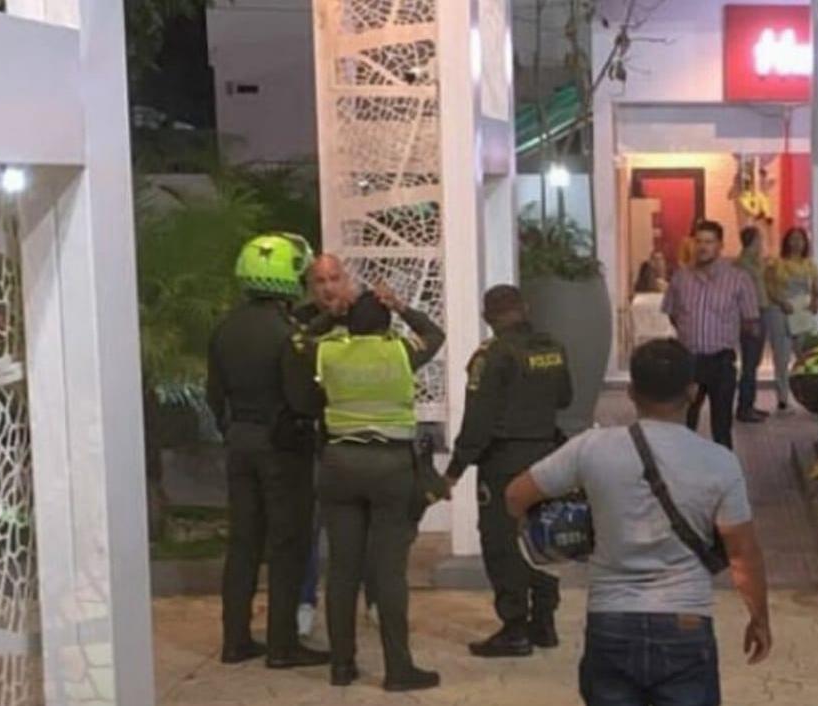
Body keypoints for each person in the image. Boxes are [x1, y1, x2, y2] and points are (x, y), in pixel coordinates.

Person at [505, 339, 772, 706]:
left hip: (611, 621)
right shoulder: (719, 462)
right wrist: (759, 618)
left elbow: (515, 496)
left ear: (631, 392)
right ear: (693, 393)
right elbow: (743, 555)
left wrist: (574, 530)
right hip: (686, 621)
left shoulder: (591, 448)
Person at [290, 288, 446, 691]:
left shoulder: (330, 353)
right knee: (389, 571)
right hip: (391, 466)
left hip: (339, 464)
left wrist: (331, 315)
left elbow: (298, 339)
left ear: (349, 323)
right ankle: (399, 669)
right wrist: (401, 306)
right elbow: (435, 334)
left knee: (342, 570)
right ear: (386, 324)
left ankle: (341, 666)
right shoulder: (399, 352)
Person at [206, 233, 332, 669]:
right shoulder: (287, 334)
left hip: (239, 442)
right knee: (287, 544)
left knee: (243, 544)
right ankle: (282, 646)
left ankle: (235, 639)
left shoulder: (226, 328)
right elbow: (302, 401)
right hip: (282, 450)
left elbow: (213, 394)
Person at [441, 285, 573, 658]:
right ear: (525, 308)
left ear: (488, 318)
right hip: (548, 457)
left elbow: (478, 423)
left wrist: (454, 471)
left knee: (502, 542)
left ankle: (515, 628)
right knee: (542, 535)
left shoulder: (492, 355)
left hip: (504, 464)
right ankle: (544, 621)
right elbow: (565, 398)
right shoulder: (552, 348)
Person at [292, 254, 367, 640]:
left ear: (346, 279)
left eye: (334, 278)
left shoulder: (364, 316)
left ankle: (373, 596)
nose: (327, 287)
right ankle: (306, 600)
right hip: (315, 437)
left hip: (359, 435)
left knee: (367, 523)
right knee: (310, 524)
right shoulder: (301, 320)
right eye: (319, 280)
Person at [662, 220, 761, 449]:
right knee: (684, 422)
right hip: (689, 362)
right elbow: (673, 314)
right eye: (699, 241)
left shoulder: (739, 279)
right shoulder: (680, 278)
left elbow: (750, 321)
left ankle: (723, 475)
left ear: (720, 245)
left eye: (709, 241)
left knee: (722, 425)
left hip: (721, 362)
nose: (703, 247)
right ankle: (682, 475)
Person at [765, 227, 818, 411]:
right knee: (781, 358)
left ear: (805, 243)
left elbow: (817, 292)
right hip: (780, 312)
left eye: (800, 239)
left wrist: (816, 304)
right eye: (793, 239)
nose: (796, 243)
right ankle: (782, 398)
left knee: (804, 358)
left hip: (801, 313)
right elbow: (768, 288)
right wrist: (781, 301)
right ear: (786, 241)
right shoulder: (776, 264)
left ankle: (808, 397)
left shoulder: (811, 266)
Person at [734, 226, 772, 424]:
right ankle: (744, 407)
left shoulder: (755, 263)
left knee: (754, 362)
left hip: (761, 312)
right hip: (752, 315)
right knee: (749, 363)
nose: (761, 244)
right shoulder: (743, 265)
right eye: (759, 240)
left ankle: (749, 404)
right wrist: (748, 319)